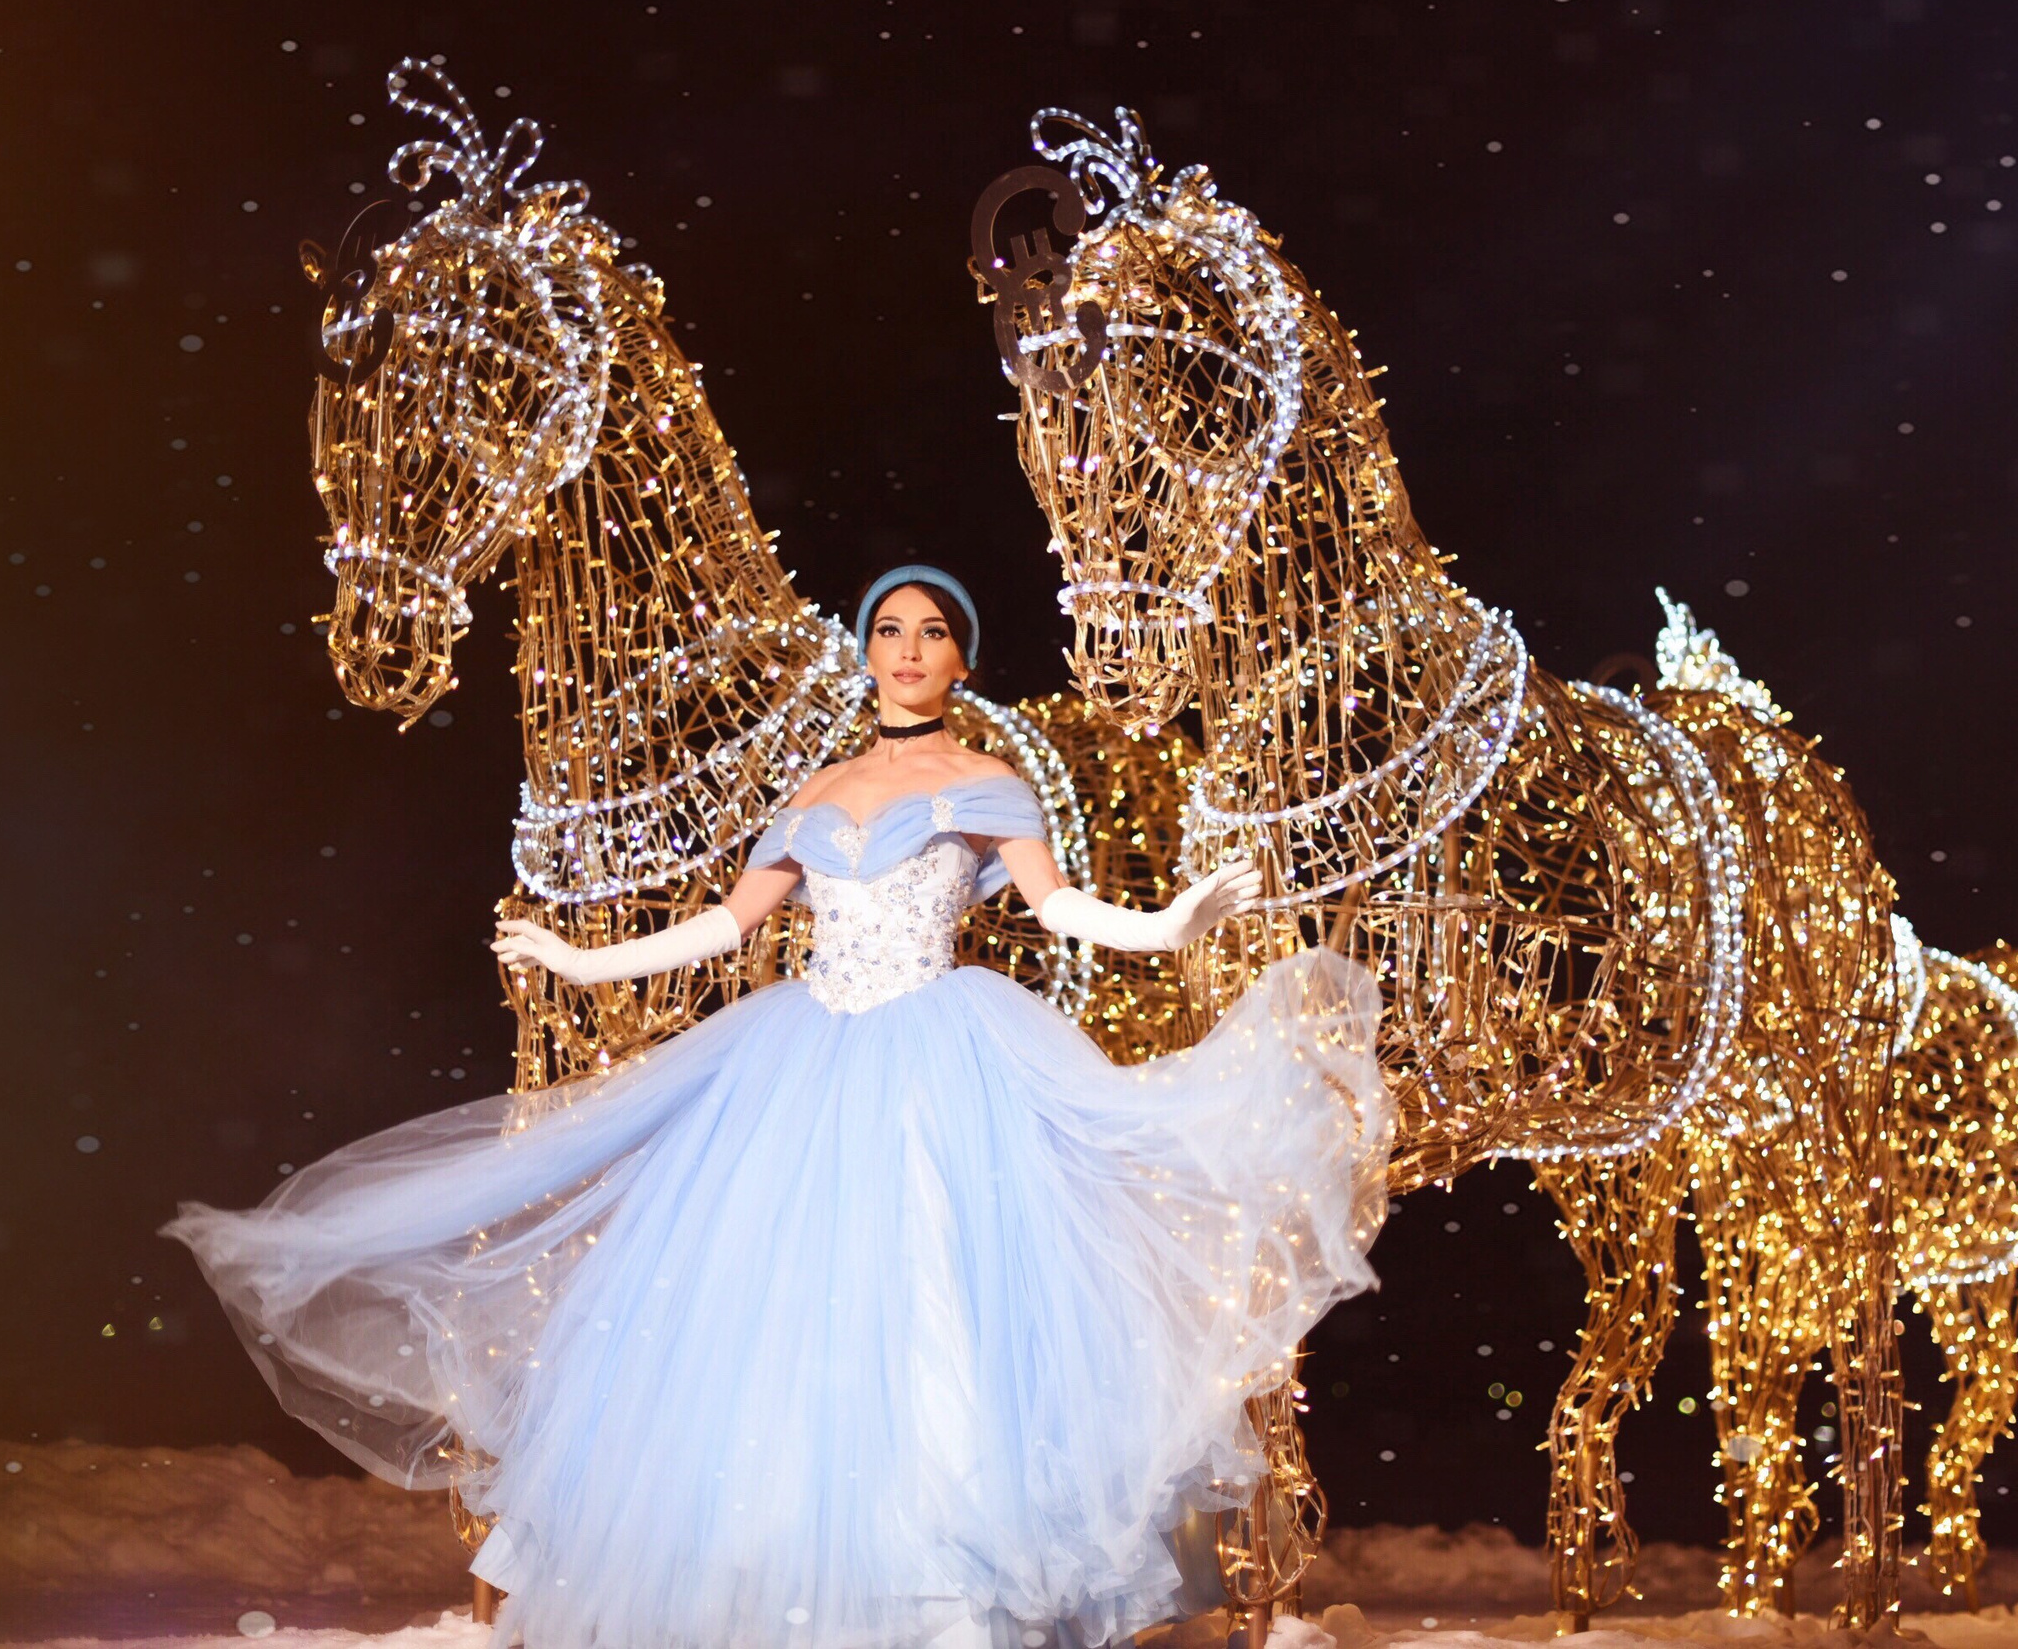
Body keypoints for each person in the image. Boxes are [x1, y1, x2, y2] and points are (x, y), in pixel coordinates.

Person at [162, 565, 1393, 1649]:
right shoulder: (815, 788)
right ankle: (767, 1584)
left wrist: (1172, 921)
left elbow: (1056, 906)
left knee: (930, 1308)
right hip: (798, 1062)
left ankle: (944, 1598)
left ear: (963, 655)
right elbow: (726, 923)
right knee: (769, 1310)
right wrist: (583, 960)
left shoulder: (986, 779)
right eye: (888, 630)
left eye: (932, 632)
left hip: (934, 1061)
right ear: (866, 648)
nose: (907, 650)